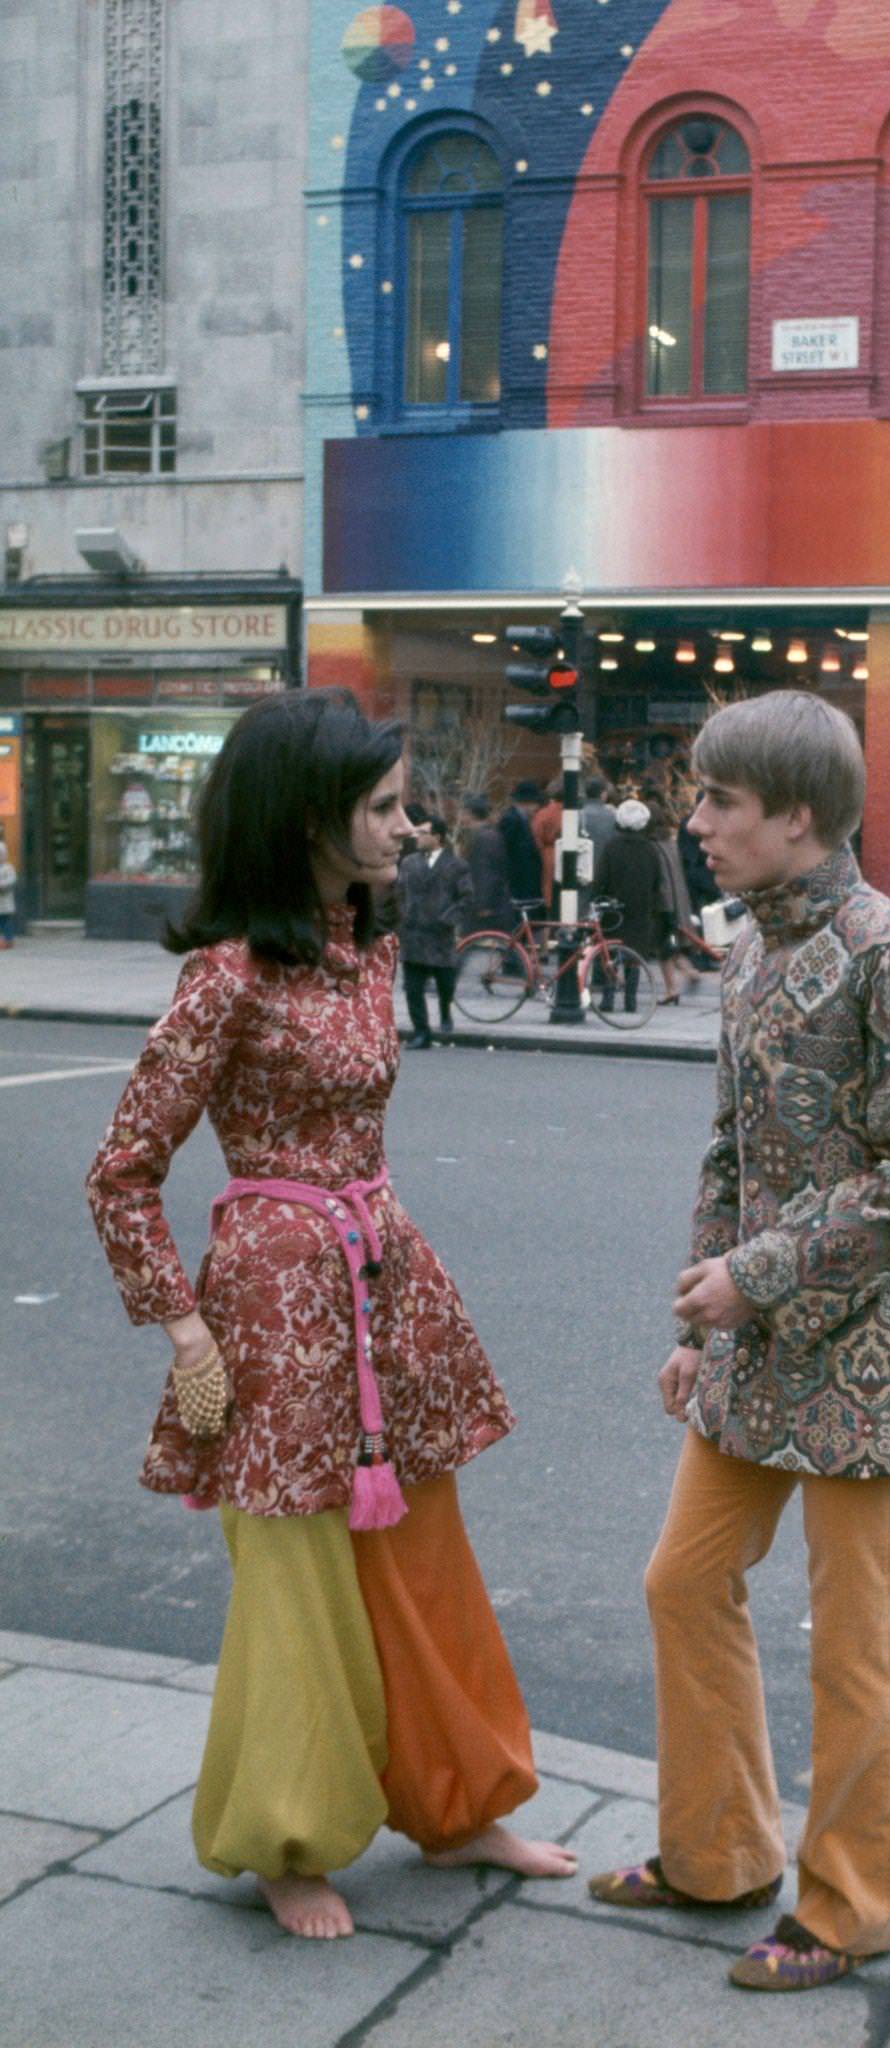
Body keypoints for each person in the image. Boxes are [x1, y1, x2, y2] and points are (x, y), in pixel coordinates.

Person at [85, 690, 576, 1943]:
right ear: (307, 817)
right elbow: (122, 1169)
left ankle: (461, 1801)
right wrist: (182, 1330)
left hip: (384, 1285)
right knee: (294, 1587)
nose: (407, 826)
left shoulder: (364, 944)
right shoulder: (224, 979)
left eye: (404, 803)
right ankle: (286, 1836)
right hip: (270, 1313)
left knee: (426, 1559)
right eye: (381, 807)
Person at [588, 692, 890, 1993]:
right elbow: (729, 1149)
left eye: (719, 804)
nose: (694, 823)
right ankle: (717, 1852)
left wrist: (752, 1280)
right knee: (681, 1582)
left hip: (861, 1362)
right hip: (746, 1353)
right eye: (698, 800)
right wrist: (695, 1320)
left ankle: (849, 1909)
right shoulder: (749, 949)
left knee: (853, 1638)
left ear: (797, 818)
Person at [396, 810, 473, 1049]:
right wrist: (399, 919)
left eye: (423, 833)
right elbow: (397, 893)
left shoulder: (456, 865)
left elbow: (467, 898)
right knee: (413, 988)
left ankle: (445, 1011)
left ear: (438, 837)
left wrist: (447, 919)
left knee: (445, 983)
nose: (417, 836)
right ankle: (422, 1032)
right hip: (413, 934)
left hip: (440, 936)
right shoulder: (408, 863)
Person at [593, 798, 666, 1012]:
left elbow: (601, 879)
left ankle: (608, 997)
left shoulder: (611, 847)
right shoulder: (651, 850)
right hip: (641, 909)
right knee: (634, 956)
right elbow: (657, 881)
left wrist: (597, 900)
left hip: (614, 909)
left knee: (611, 954)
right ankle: (630, 1000)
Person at [646, 794, 695, 1004]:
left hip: (664, 904)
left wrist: (661, 904)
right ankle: (687, 973)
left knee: (663, 947)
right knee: (671, 945)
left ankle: (673, 987)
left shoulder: (652, 845)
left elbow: (661, 879)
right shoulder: (669, 842)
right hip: (679, 903)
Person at [459, 793, 515, 932]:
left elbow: (485, 873)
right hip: (493, 902)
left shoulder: (483, 838)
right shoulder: (489, 835)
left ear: (470, 814)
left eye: (463, 813)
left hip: (488, 906)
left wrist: (483, 905)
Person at [497, 780, 544, 907]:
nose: (537, 808)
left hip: (521, 881)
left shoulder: (518, 818)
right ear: (528, 803)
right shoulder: (511, 820)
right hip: (518, 881)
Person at [531, 784, 564, 910]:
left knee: (547, 885)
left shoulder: (543, 813)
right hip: (566, 853)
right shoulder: (572, 812)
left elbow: (536, 835)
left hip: (548, 853)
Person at [0, 830, 16, 947]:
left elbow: (12, 880)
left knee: (6, 921)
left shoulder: (8, 867)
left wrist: (2, 884)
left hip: (5, 899)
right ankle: (3, 939)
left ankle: (8, 939)